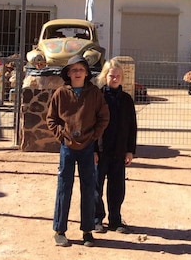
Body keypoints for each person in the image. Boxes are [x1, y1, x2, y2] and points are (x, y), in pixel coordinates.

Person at [46, 55, 110, 248]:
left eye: (81, 69)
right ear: (68, 73)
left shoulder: (95, 94)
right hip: (67, 147)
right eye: (73, 70)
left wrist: (93, 137)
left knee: (89, 188)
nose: (77, 73)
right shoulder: (60, 93)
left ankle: (88, 231)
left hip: (88, 147)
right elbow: (51, 119)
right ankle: (60, 230)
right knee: (64, 187)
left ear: (86, 72)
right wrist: (62, 136)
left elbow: (104, 118)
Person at [93, 58, 138, 234]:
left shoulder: (127, 100)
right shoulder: (98, 97)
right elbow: (91, 125)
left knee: (117, 187)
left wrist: (130, 150)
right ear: (105, 76)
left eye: (118, 76)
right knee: (96, 186)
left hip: (119, 152)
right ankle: (96, 219)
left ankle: (115, 220)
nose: (115, 78)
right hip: (101, 151)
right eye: (112, 75)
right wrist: (93, 150)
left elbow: (132, 126)